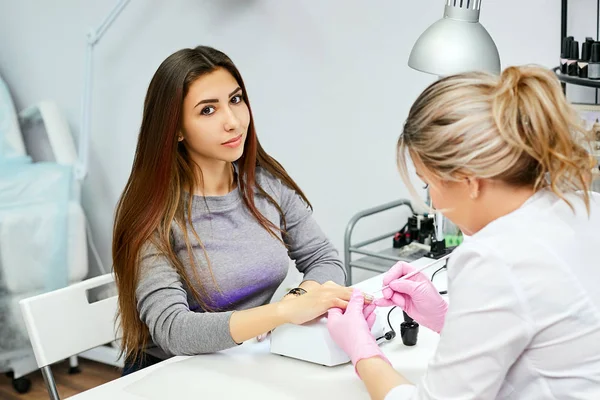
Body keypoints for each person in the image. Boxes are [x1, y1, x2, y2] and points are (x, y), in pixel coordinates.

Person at [327, 65, 600, 399]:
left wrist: (362, 351)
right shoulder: (584, 206)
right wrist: (446, 318)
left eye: (429, 185)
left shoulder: (495, 257)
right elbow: (541, 337)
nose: (434, 204)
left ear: (469, 181)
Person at [112, 46, 362, 375]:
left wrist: (297, 298)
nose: (233, 122)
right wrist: (283, 314)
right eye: (207, 111)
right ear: (175, 129)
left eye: (235, 99)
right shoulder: (154, 215)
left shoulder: (265, 185)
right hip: (170, 375)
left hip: (245, 364)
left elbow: (324, 258)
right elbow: (173, 330)